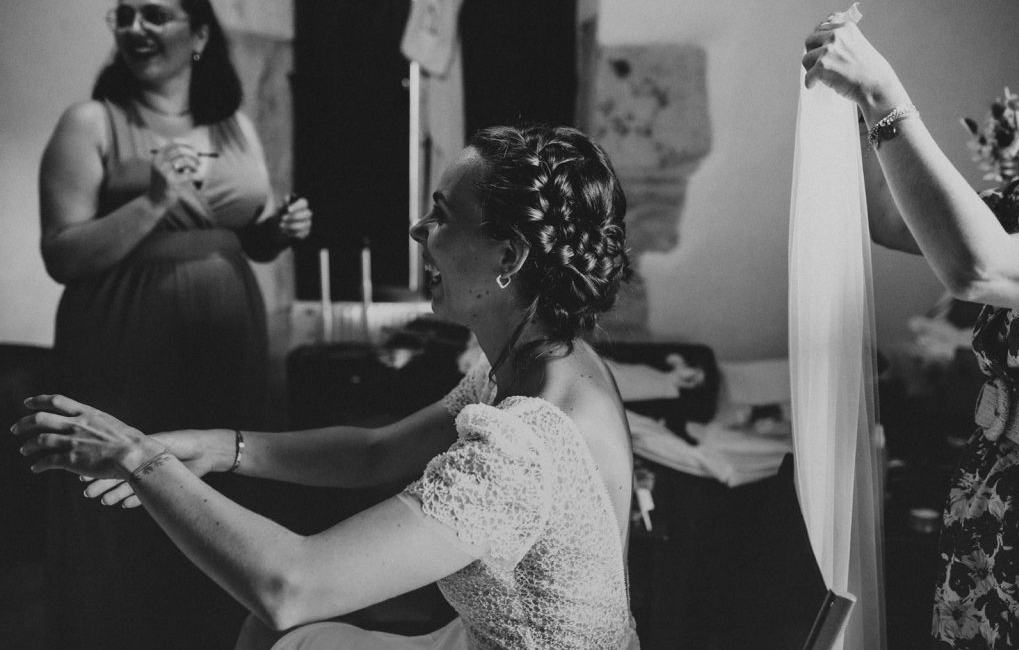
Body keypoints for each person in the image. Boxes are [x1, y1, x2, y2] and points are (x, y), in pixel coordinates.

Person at [14, 124, 639, 650]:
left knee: (280, 621)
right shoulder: (544, 358)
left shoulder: (524, 445)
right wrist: (214, 447)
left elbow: (289, 585)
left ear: (509, 257)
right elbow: (374, 452)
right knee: (269, 632)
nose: (419, 230)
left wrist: (137, 457)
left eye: (442, 216)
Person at [38, 0, 311, 647]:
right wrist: (152, 201)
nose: (135, 29)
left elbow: (242, 233)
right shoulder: (91, 122)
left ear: (199, 34)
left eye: (155, 16)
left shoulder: (236, 125)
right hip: (123, 334)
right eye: (124, 17)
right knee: (120, 490)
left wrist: (273, 233)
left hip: (227, 334)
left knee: (216, 485)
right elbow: (62, 255)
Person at [804, 15, 1019, 647]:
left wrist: (885, 93)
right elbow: (892, 219)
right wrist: (854, 109)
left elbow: (975, 266)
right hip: (993, 485)